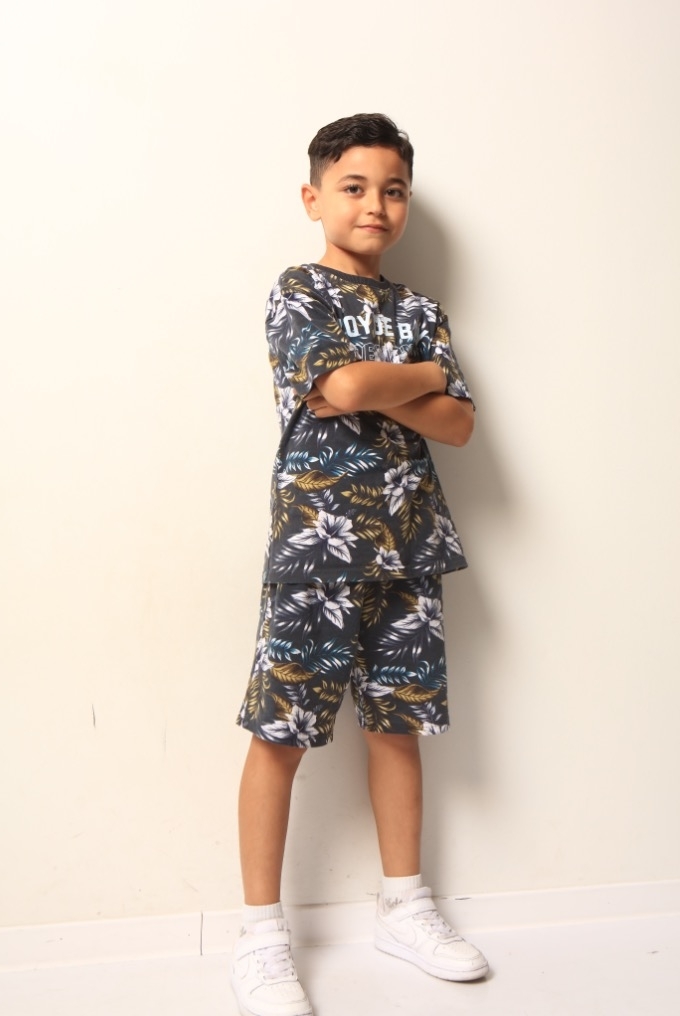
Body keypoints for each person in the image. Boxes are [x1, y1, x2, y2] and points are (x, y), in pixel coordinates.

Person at [232, 113, 487, 1016]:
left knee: (397, 727)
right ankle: (260, 934)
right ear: (314, 198)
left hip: (409, 549)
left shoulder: (420, 311)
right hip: (317, 548)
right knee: (280, 733)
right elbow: (338, 387)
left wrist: (393, 382)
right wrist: (420, 376)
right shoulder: (298, 291)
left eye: (393, 190)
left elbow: (460, 423)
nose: (375, 204)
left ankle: (403, 904)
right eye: (354, 187)